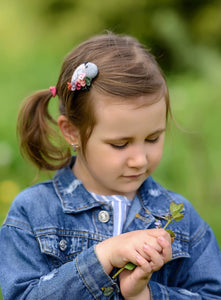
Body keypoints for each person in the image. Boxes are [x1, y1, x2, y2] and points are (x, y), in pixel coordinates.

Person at [0, 33, 220, 300]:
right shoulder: (33, 213)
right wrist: (102, 257)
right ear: (72, 133)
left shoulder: (181, 218)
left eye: (152, 138)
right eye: (120, 144)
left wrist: (146, 295)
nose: (139, 159)